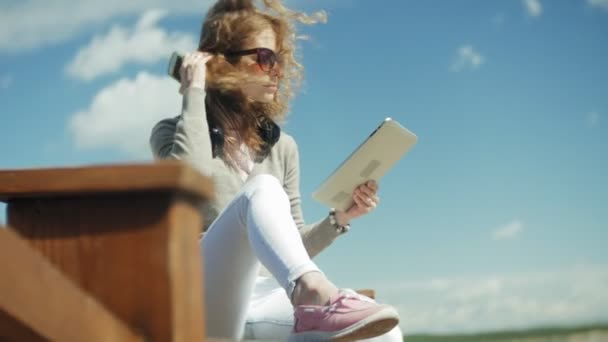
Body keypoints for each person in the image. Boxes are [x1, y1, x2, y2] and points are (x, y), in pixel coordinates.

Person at [150, 0, 403, 340]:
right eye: (265, 58)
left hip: (268, 294)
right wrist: (195, 91)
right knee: (264, 188)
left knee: (383, 333)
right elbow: (189, 182)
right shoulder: (171, 132)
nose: (277, 71)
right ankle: (313, 291)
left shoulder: (283, 147)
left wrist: (340, 218)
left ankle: (312, 295)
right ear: (222, 63)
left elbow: (293, 243)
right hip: (203, 297)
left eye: (279, 60)